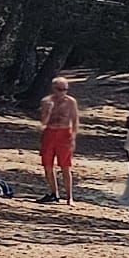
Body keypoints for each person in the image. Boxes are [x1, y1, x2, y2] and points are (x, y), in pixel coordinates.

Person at [36, 76, 78, 204]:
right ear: (54, 89)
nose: (62, 92)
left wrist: (73, 138)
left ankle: (69, 197)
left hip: (65, 133)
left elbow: (75, 120)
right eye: (60, 89)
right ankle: (54, 193)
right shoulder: (46, 101)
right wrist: (48, 111)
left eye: (65, 89)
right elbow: (43, 122)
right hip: (50, 132)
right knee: (48, 165)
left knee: (65, 166)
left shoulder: (70, 102)